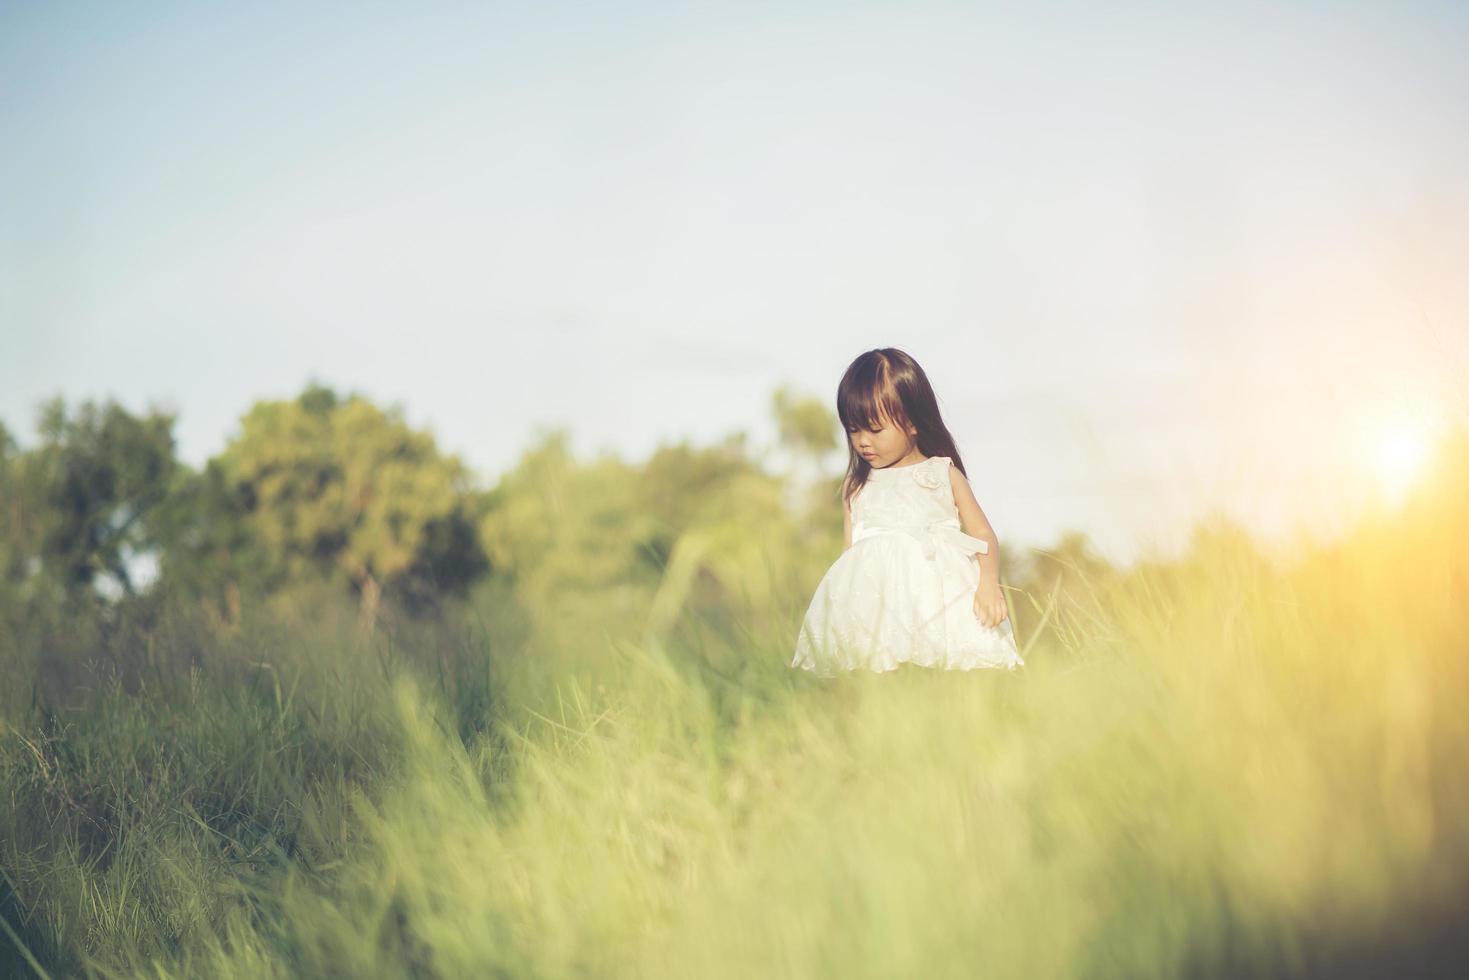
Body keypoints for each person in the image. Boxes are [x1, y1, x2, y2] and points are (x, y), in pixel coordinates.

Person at [791, 347, 1025, 676]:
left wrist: (988, 582)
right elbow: (851, 555)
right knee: (882, 675)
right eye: (853, 429)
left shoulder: (941, 474)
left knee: (942, 675)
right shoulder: (856, 487)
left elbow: (982, 534)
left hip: (938, 602)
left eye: (874, 429)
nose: (862, 442)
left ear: (913, 422)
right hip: (876, 608)